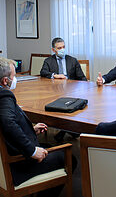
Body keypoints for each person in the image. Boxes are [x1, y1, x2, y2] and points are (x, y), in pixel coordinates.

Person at [0, 57, 69, 196]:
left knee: (48, 145)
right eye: (14, 76)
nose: (15, 79)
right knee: (68, 158)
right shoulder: (4, 96)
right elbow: (7, 124)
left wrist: (30, 130)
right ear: (5, 81)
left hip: (8, 154)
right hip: (18, 164)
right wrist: (31, 150)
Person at [40, 37, 86, 141]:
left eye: (63, 47)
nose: (62, 49)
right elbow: (43, 72)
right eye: (59, 48)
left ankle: (66, 130)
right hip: (55, 92)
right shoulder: (48, 61)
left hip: (72, 91)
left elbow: (82, 78)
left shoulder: (72, 60)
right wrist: (54, 75)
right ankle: (69, 130)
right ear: (53, 50)